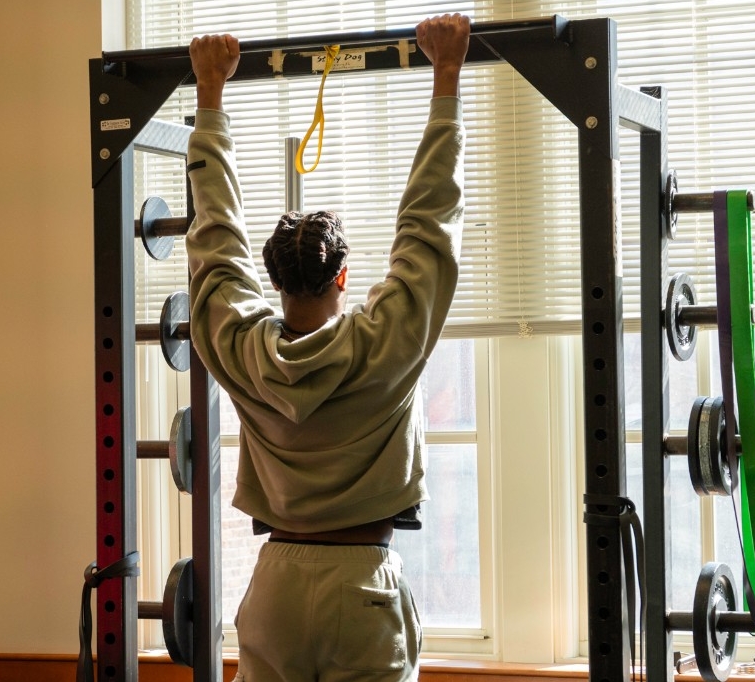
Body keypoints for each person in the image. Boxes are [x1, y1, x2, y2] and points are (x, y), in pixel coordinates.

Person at [185, 14, 470, 682]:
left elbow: (214, 238)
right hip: (359, 579)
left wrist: (209, 96)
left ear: (273, 277)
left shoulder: (239, 344)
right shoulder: (385, 343)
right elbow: (429, 226)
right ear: (344, 275)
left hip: (275, 587)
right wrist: (446, 77)